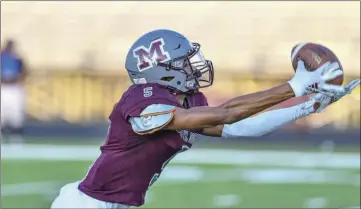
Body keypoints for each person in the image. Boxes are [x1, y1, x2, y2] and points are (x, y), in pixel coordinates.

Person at [51, 29, 360, 208]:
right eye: (184, 62)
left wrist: (308, 106)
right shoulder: (141, 98)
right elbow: (228, 112)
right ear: (161, 68)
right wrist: (294, 87)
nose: (193, 67)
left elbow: (239, 126)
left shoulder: (187, 101)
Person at [1, 39, 28, 144]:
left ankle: (16, 138)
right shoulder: (1, 58)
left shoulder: (17, 59)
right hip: (3, 88)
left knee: (16, 114)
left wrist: (18, 79)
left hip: (14, 88)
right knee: (2, 114)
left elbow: (24, 70)